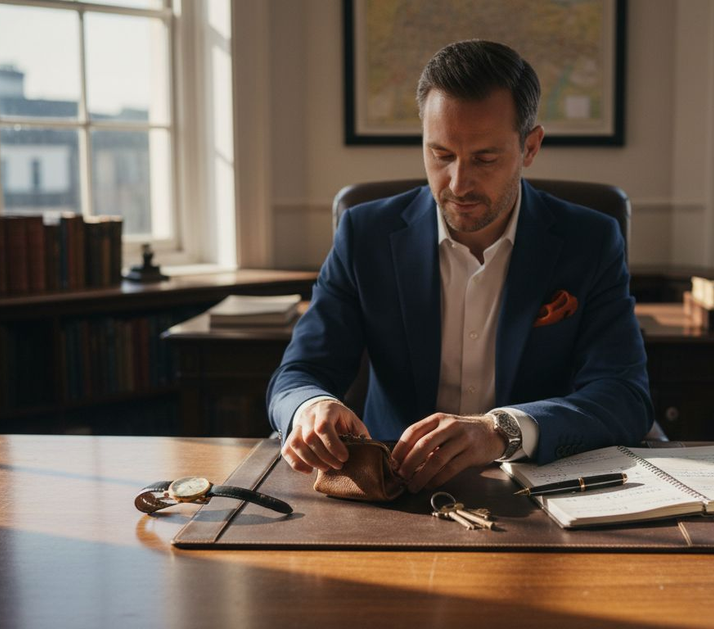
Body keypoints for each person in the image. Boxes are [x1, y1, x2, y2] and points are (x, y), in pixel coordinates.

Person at [268, 40, 653, 494]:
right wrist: (312, 406)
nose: (458, 183)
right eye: (441, 154)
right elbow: (299, 373)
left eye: (485, 159)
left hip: (537, 489)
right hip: (393, 489)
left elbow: (624, 396)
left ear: (531, 147)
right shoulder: (364, 234)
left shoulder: (590, 241)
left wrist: (501, 431)